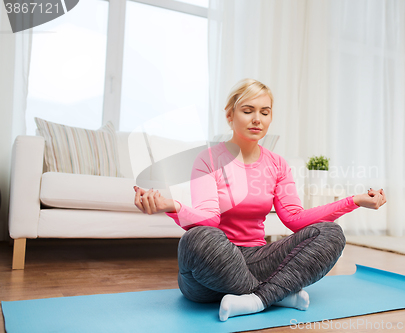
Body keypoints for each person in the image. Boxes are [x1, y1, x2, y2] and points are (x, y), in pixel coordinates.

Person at [133, 78, 387, 321]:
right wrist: (171, 205)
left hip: (257, 260)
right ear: (230, 115)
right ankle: (276, 295)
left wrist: (353, 201)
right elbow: (209, 219)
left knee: (332, 233)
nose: (257, 119)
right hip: (209, 273)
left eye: (264, 112)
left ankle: (257, 300)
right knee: (198, 238)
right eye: (247, 110)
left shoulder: (277, 164)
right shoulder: (208, 159)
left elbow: (295, 219)